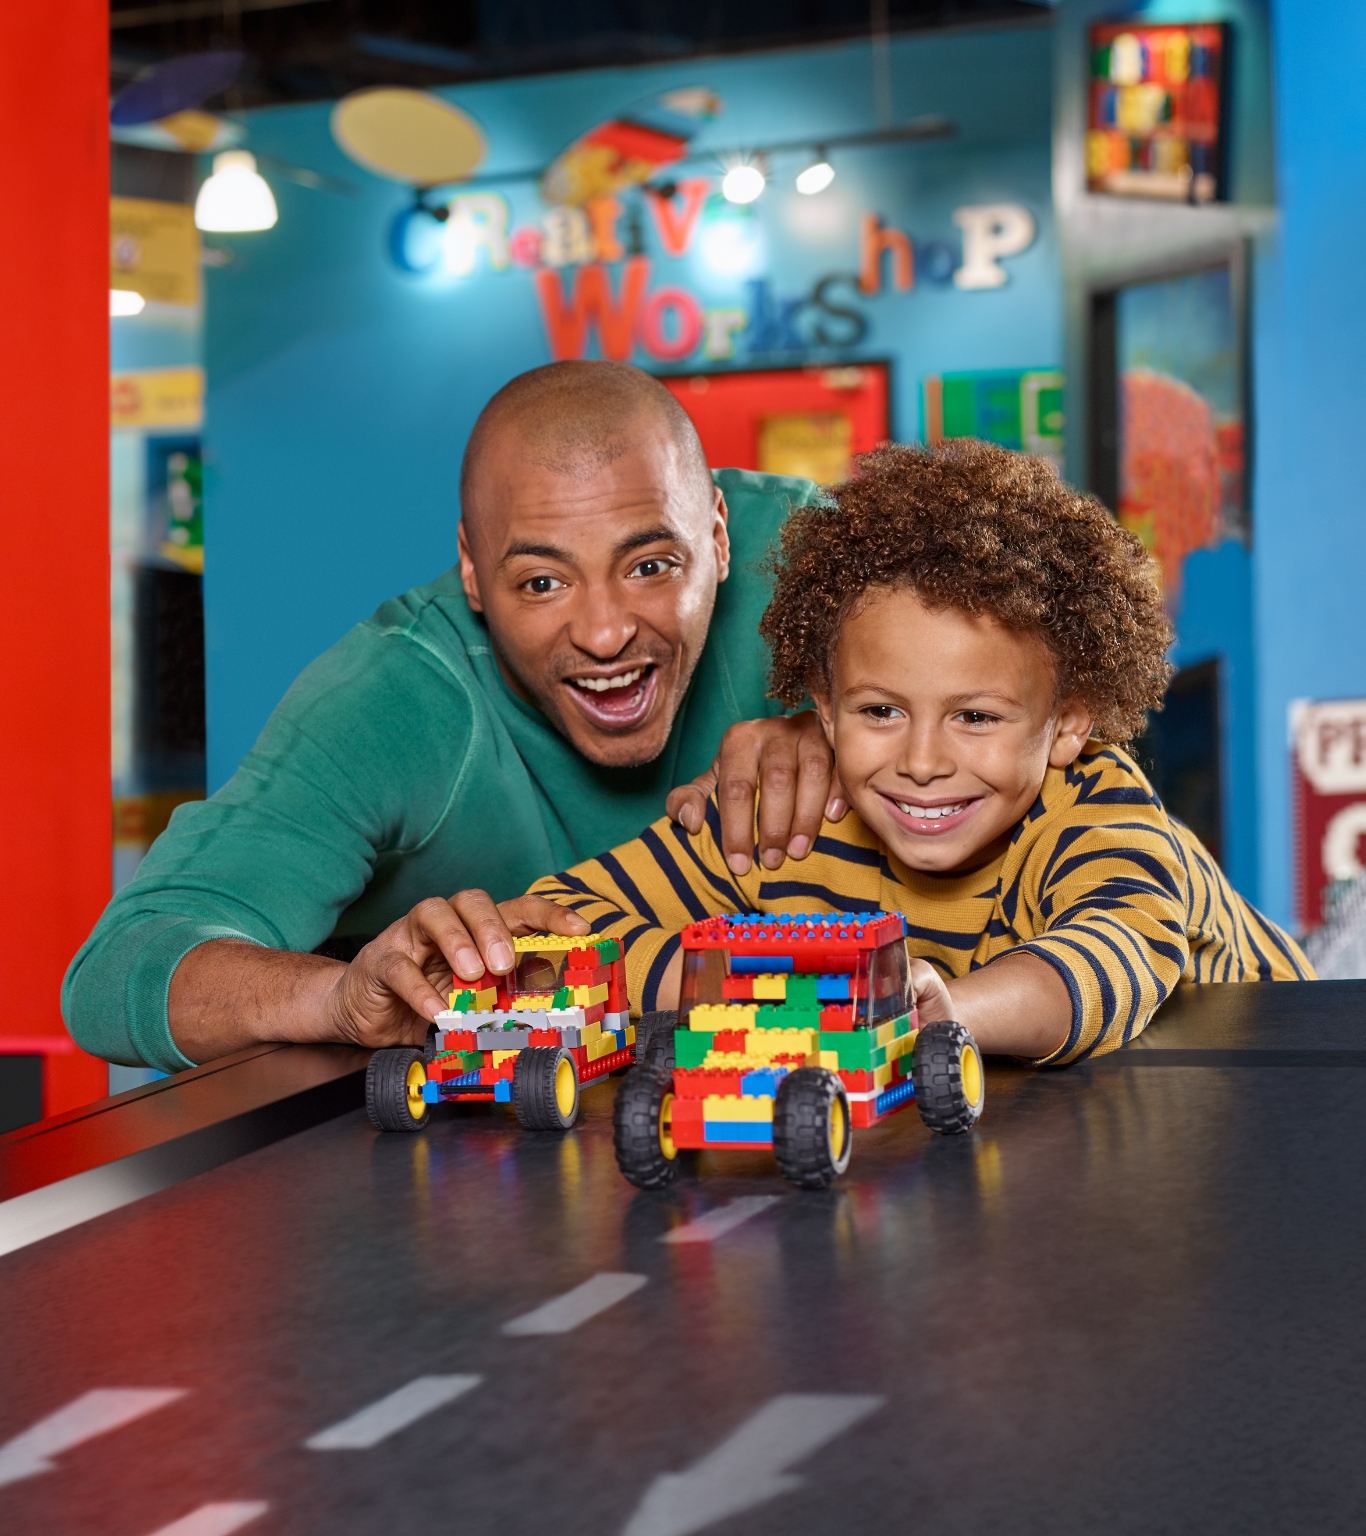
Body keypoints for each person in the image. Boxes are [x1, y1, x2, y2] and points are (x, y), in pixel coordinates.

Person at [64, 362, 844, 1072]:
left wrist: (858, 722)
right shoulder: (395, 697)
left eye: (650, 567)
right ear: (473, 571)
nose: (605, 633)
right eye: (542, 582)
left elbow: (964, 681)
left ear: (716, 535)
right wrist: (337, 998)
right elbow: (116, 971)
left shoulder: (813, 561)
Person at [525, 439, 1313, 1064]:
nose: (923, 761)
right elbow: (558, 931)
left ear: (1069, 721)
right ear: (825, 711)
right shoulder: (790, 817)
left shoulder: (1097, 810)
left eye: (975, 716)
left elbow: (1112, 956)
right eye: (880, 711)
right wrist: (763, 982)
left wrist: (943, 1007)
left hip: (1298, 1056)